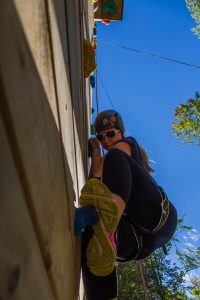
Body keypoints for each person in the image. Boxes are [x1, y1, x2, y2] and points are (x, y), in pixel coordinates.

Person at [75, 109, 177, 300]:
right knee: (91, 235)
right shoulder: (111, 165)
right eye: (101, 137)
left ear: (121, 132)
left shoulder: (127, 145)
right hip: (138, 243)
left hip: (158, 217)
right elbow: (94, 182)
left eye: (110, 133)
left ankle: (108, 226)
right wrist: (97, 151)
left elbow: (99, 171)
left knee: (114, 156)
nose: (106, 140)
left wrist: (96, 150)